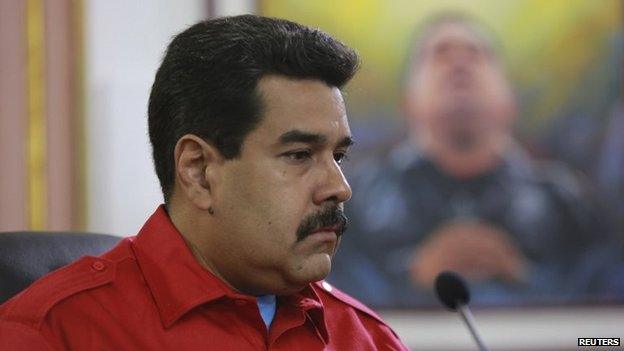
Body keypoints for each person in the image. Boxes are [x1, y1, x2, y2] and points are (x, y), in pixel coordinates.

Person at [0, 15, 409, 350]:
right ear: (198, 171)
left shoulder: (367, 339)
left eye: (338, 156)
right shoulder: (51, 334)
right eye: (300, 155)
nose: (339, 187)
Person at [330, 13, 623, 308]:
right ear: (408, 100)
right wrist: (413, 280)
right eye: (439, 54)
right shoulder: (356, 200)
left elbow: (604, 315)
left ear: (510, 99)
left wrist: (524, 277)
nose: (459, 64)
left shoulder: (567, 204)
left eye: (476, 53)